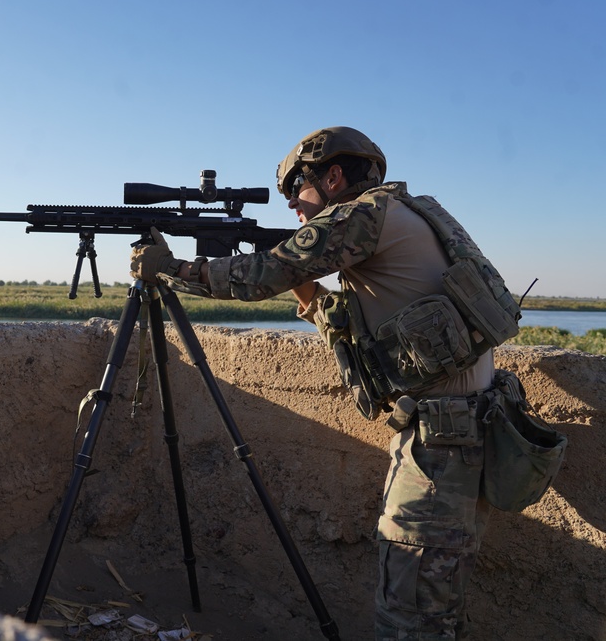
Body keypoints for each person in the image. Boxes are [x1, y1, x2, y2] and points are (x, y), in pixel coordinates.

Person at [130, 126, 527, 639]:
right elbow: (372, 330)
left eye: (298, 191)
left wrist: (176, 269)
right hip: (467, 433)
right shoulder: (409, 213)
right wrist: (309, 294)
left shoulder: (360, 216)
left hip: (442, 451)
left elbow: (260, 274)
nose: (293, 206)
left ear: (334, 177)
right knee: (434, 609)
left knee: (410, 619)